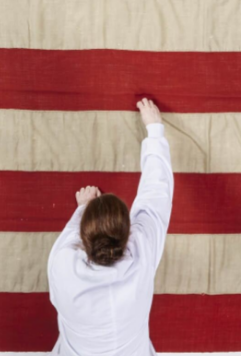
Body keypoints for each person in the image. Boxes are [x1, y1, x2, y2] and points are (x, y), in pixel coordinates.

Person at [47, 98, 173, 356]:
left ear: (84, 236)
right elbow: (155, 193)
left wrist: (83, 208)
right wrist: (154, 130)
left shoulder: (61, 263)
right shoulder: (142, 252)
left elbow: (70, 238)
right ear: (128, 233)